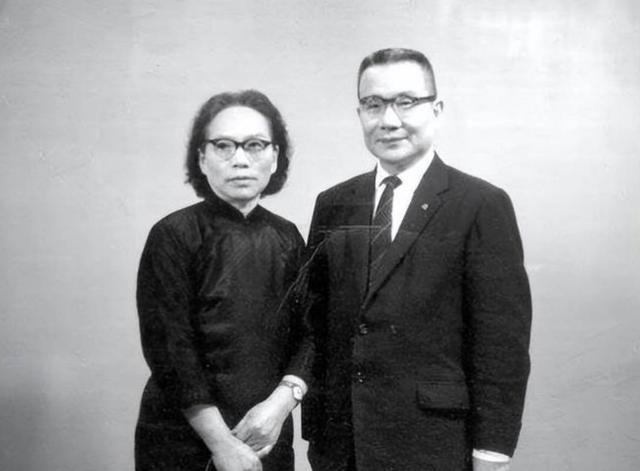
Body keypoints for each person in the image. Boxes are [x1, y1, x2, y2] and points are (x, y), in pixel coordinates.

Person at [301, 48, 532, 471]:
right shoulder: (333, 203)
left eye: (406, 102)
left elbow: (502, 344)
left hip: (433, 444)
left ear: (436, 109)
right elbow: (316, 322)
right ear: (359, 113)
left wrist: (492, 452)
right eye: (373, 104)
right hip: (342, 446)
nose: (389, 120)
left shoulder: (481, 204)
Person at [135, 90, 311, 471]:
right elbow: (170, 350)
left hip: (266, 434)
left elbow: (309, 334)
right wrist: (222, 444)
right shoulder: (173, 235)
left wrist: (279, 407)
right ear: (202, 157)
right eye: (224, 146)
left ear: (275, 156)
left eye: (255, 145)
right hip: (183, 440)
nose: (240, 160)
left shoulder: (288, 238)